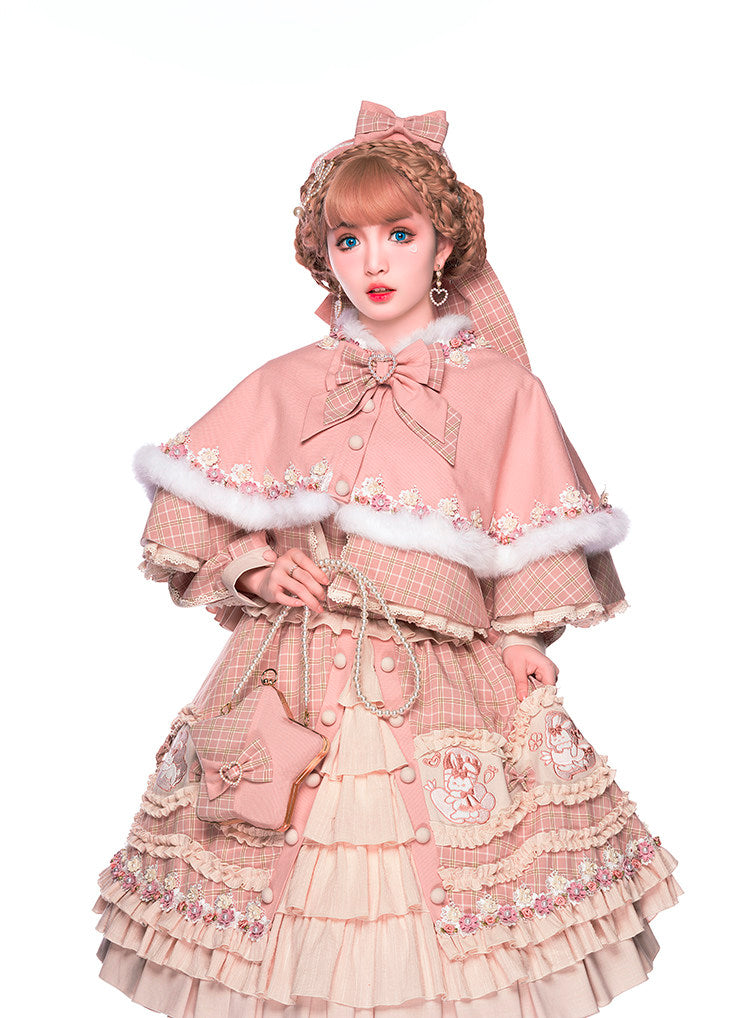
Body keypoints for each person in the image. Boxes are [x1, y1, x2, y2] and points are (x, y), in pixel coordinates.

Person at [93, 100, 683, 1018]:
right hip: (290, 674)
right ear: (323, 253)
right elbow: (193, 508)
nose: (373, 262)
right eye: (349, 240)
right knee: (278, 904)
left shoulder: (503, 389)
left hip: (442, 677)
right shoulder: (288, 380)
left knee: (454, 905)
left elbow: (532, 528)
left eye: (399, 235)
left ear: (443, 247)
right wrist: (253, 567)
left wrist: (525, 638)